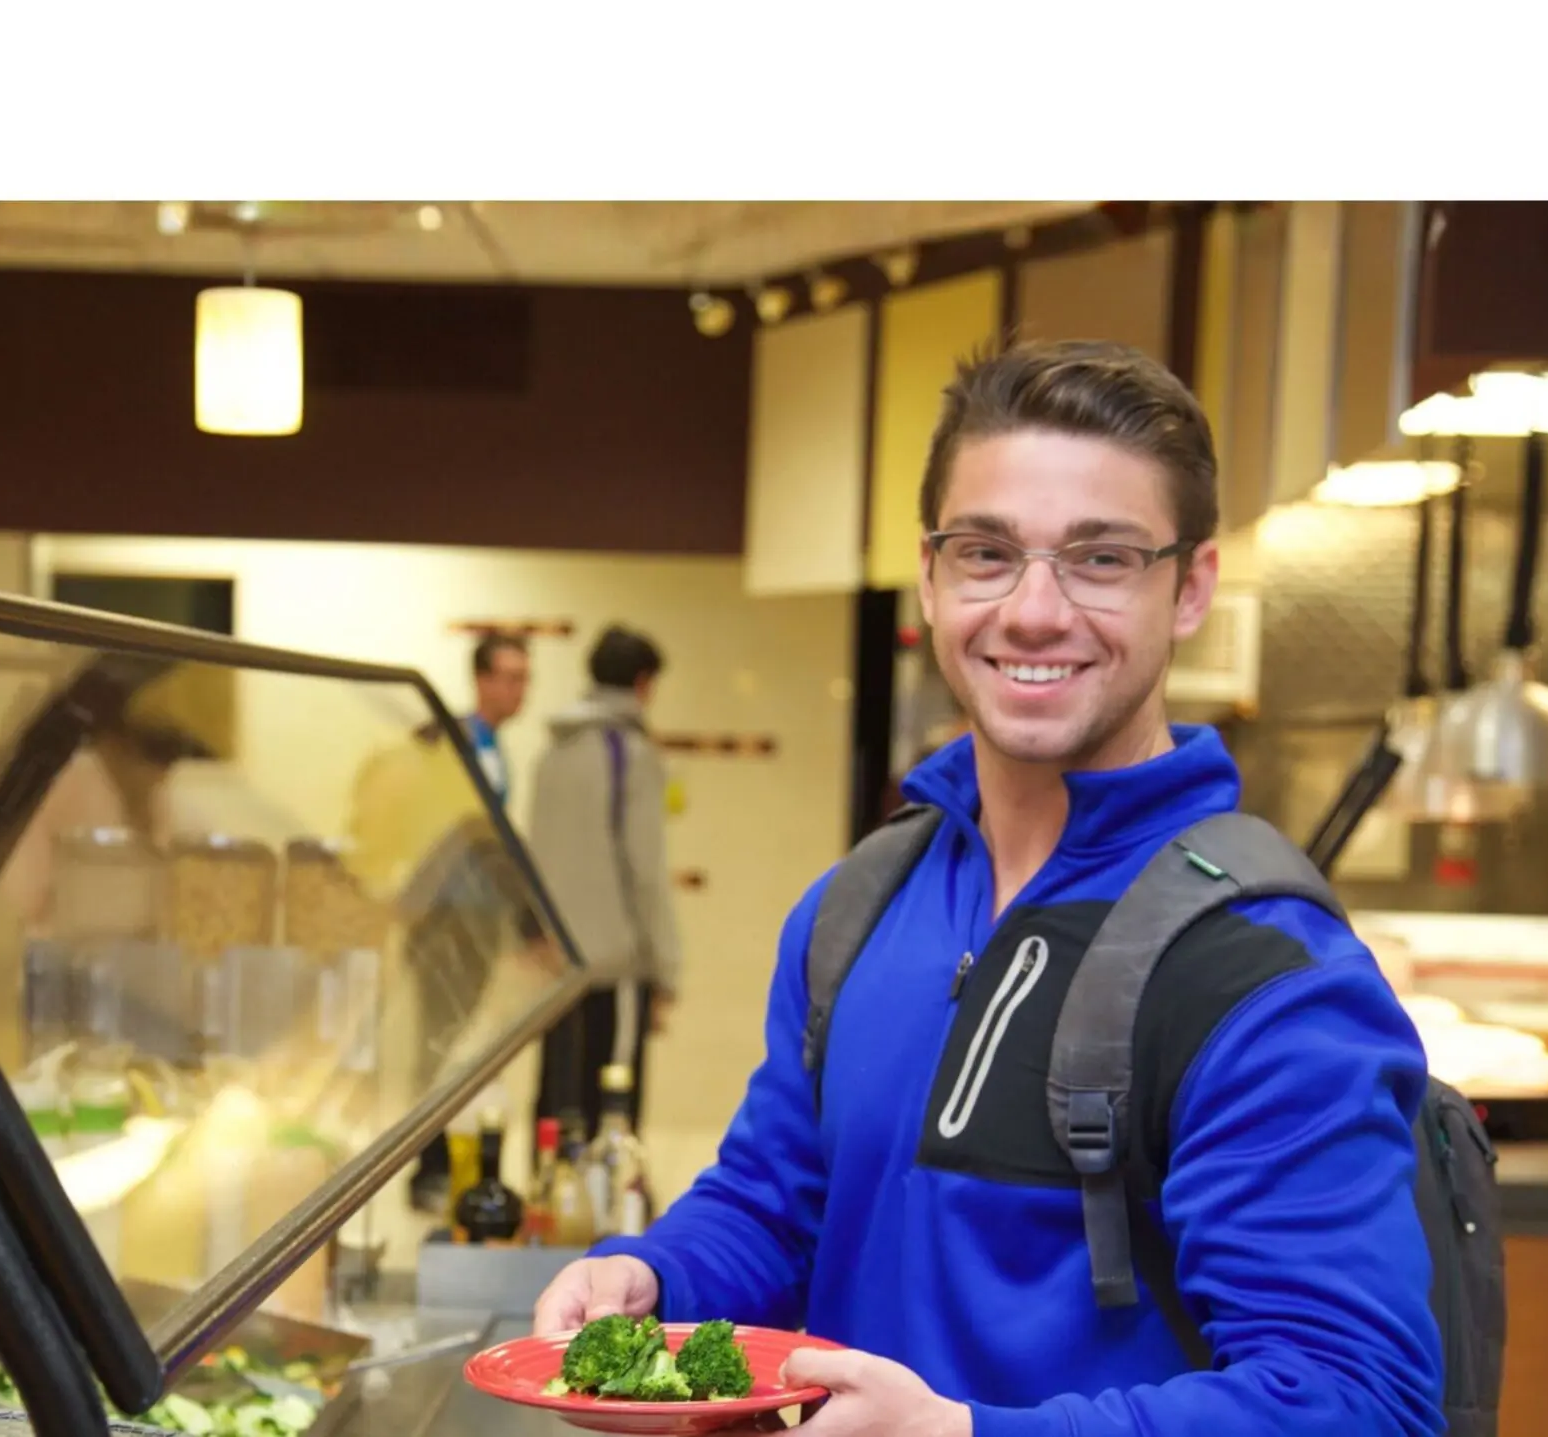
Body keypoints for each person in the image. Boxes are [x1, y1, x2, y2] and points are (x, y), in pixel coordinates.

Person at [532, 341, 1444, 1436]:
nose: (1032, 611)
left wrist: (961, 1435)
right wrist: (655, 1282)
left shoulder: (1263, 975)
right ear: (930, 575)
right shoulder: (859, 903)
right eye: (987, 552)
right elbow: (780, 1209)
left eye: (1101, 559)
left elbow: (1354, 1403)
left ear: (1189, 586)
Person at [526, 625, 681, 1143]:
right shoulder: (630, 753)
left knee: (557, 1096)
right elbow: (645, 869)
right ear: (642, 683)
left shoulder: (552, 752)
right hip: (615, 962)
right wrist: (665, 967)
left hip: (556, 961)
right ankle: (607, 1212)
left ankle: (552, 1206)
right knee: (611, 1104)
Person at [465, 632, 531, 805]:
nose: (521, 690)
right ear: (482, 680)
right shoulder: (462, 743)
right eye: (513, 678)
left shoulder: (491, 741)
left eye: (525, 679)